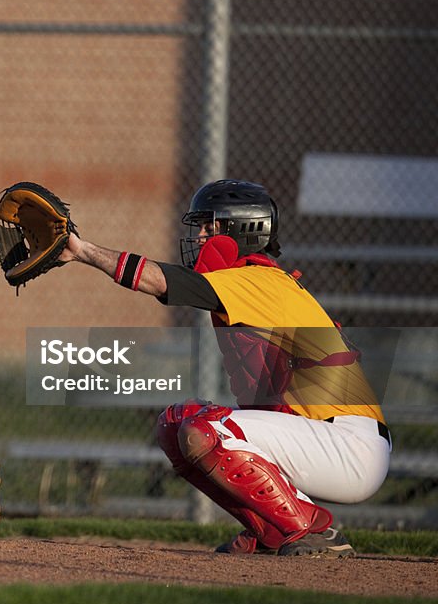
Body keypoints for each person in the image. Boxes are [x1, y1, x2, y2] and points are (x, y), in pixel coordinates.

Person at [56, 179, 390, 557]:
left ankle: (308, 530)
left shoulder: (258, 280)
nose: (198, 236)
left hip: (348, 446)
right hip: (328, 439)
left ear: (240, 230)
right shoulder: (253, 281)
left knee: (205, 430)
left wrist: (83, 251)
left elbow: (164, 282)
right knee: (175, 423)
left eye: (208, 226)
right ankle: (271, 529)